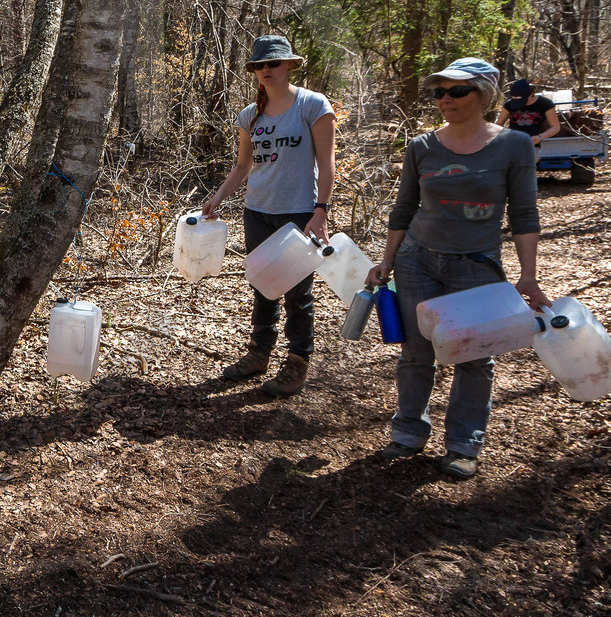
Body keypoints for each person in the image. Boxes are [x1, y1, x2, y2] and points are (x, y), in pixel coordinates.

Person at [365, 58, 549, 480]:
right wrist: (387, 260)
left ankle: (464, 444)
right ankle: (408, 432)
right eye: (439, 92)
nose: (445, 99)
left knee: (474, 355)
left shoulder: (514, 145)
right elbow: (404, 208)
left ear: (485, 94)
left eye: (457, 91)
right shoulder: (422, 146)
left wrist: (528, 276)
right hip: (418, 261)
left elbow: (524, 214)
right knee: (416, 352)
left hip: (477, 265)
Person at [201, 35, 335, 398]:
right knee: (262, 282)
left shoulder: (312, 104)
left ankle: (297, 361)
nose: (265, 71)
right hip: (258, 211)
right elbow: (242, 166)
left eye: (273, 63)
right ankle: (259, 353)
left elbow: (326, 163)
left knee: (297, 291)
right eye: (259, 65)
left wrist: (320, 211)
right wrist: (216, 198)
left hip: (299, 212)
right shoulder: (250, 114)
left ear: (290, 65)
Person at [497, 79, 562, 148]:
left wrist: (540, 137)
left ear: (531, 94)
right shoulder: (509, 104)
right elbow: (498, 125)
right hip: (512, 143)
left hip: (533, 145)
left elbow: (555, 127)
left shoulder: (545, 104)